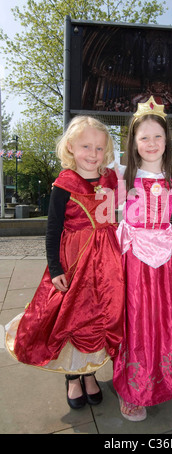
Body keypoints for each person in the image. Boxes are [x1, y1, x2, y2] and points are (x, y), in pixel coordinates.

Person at [5, 116, 124, 410]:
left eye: (99, 147)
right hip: (74, 261)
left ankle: (90, 372)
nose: (93, 153)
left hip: (106, 262)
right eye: (86, 146)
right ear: (71, 147)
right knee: (71, 317)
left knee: (97, 317)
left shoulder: (111, 179)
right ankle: (72, 377)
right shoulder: (64, 184)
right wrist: (55, 268)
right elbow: (53, 229)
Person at [112, 96, 172, 422]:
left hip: (166, 260)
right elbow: (97, 211)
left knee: (164, 320)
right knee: (136, 321)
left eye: (158, 136)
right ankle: (133, 387)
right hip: (134, 261)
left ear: (167, 141)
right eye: (144, 137)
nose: (151, 143)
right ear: (134, 142)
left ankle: (161, 379)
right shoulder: (123, 175)